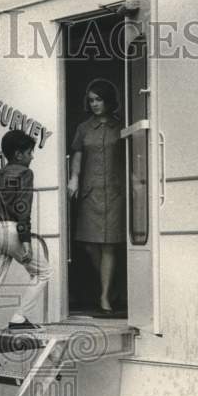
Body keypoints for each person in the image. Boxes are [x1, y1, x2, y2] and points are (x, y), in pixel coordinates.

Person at [0, 129, 54, 368]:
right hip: (12, 230)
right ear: (18, 154)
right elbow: (22, 207)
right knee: (42, 272)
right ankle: (18, 318)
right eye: (29, 152)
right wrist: (25, 240)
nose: (32, 157)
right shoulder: (25, 173)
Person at [67, 77, 125, 313]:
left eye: (99, 99)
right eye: (91, 100)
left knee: (110, 245)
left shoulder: (119, 127)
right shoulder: (83, 128)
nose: (94, 104)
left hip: (114, 191)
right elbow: (78, 157)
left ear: (108, 101)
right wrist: (73, 179)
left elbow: (130, 157)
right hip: (90, 192)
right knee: (91, 245)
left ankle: (104, 296)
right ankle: (110, 284)